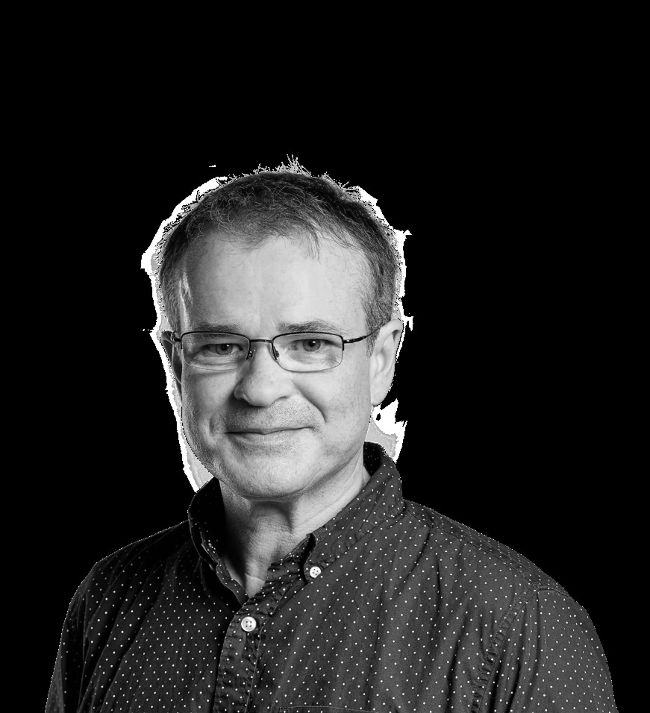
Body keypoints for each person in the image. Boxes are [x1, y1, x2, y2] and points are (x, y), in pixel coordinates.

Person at [46, 165, 618, 712]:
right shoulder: (107, 600)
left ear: (381, 359)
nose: (261, 389)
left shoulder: (521, 628)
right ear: (175, 364)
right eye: (220, 346)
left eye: (311, 344)